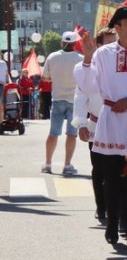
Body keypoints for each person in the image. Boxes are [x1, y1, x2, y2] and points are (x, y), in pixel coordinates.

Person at [76, 7, 127, 251]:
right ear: (117, 27)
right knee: (110, 181)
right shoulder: (102, 54)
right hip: (109, 124)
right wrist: (87, 57)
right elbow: (87, 86)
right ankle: (112, 223)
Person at [73, 28, 117, 223]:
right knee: (99, 169)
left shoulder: (124, 66)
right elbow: (81, 96)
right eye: (107, 43)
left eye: (114, 43)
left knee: (119, 170)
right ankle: (102, 207)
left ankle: (120, 210)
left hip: (121, 126)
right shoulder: (89, 68)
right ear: (98, 46)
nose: (112, 48)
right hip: (97, 126)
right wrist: (81, 124)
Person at [41, 31, 84, 175]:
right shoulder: (80, 58)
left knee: (53, 133)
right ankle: (67, 165)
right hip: (74, 100)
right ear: (74, 43)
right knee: (71, 134)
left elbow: (45, 78)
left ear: (62, 43)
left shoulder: (52, 57)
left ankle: (47, 164)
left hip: (57, 98)